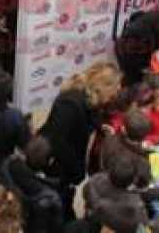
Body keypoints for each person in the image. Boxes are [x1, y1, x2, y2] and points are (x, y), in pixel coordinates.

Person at [39, 61, 121, 220]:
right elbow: (57, 142)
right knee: (59, 207)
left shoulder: (89, 98)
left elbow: (89, 115)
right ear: (103, 86)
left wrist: (100, 127)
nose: (117, 91)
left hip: (69, 166)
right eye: (115, 87)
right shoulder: (70, 103)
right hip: (57, 168)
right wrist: (76, 170)